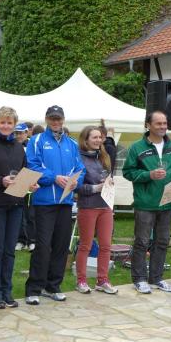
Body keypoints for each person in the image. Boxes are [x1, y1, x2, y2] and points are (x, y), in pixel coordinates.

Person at [25, 105, 85, 305]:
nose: (55, 122)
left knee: (61, 245)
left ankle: (53, 286)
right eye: (52, 118)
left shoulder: (72, 143)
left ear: (63, 119)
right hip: (44, 202)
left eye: (58, 118)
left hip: (65, 201)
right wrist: (54, 177)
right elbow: (32, 166)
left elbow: (80, 168)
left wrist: (77, 181)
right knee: (43, 246)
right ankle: (34, 288)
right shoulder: (36, 141)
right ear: (46, 119)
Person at [0, 107, 37, 308]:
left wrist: (30, 184)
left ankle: (6, 290)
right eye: (2, 122)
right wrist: (0, 180)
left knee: (10, 250)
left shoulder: (19, 147)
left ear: (14, 125)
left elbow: (24, 172)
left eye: (9, 123)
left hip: (16, 203)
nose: (5, 126)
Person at [123, 110, 171, 294]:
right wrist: (149, 175)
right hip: (145, 203)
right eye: (159, 123)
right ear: (148, 125)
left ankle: (156, 278)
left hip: (166, 203)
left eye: (165, 123)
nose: (163, 126)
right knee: (142, 242)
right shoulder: (137, 147)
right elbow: (128, 172)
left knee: (162, 241)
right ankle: (139, 279)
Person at [75, 125, 118, 295]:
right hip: (88, 207)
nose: (98, 140)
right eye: (94, 137)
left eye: (100, 137)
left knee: (106, 245)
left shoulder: (104, 156)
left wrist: (109, 183)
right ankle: (81, 281)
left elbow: (107, 178)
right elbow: (76, 186)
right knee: (85, 245)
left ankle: (102, 280)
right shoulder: (78, 158)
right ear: (85, 140)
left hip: (105, 206)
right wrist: (95, 188)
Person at [17, 123, 38, 251]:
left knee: (31, 214)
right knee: (19, 214)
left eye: (21, 133)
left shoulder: (32, 145)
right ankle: (21, 240)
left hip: (30, 180)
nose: (18, 136)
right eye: (16, 133)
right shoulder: (12, 146)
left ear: (26, 133)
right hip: (17, 181)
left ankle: (32, 240)